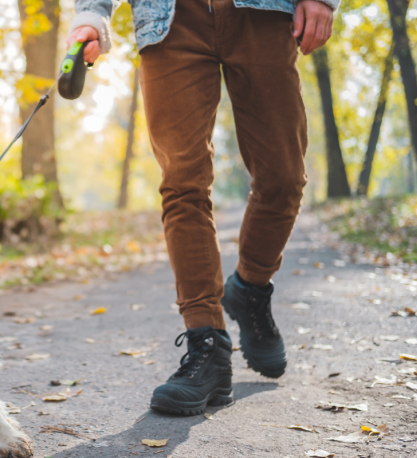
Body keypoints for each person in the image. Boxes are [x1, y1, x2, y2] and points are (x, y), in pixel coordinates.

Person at [66, 0, 336, 415]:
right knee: (182, 185)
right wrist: (92, 13)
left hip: (261, 14)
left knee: (283, 178)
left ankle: (250, 288)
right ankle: (206, 343)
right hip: (169, 22)